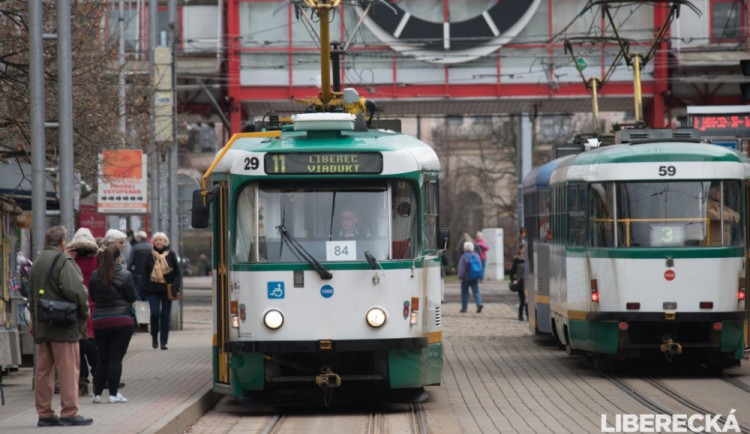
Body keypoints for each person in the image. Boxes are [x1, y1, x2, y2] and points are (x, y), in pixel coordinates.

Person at [27, 225, 93, 427]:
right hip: (63, 325)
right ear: (63, 241)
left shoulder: (38, 261)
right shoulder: (64, 261)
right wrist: (85, 312)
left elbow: (30, 293)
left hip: (43, 324)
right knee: (68, 370)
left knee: (44, 372)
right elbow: (76, 291)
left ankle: (45, 413)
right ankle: (69, 412)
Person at [89, 245, 136, 404]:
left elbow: (93, 297)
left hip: (100, 321)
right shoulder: (125, 274)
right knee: (116, 359)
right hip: (122, 320)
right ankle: (113, 394)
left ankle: (96, 395)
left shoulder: (95, 275)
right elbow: (132, 297)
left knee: (102, 358)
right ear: (118, 257)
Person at [66, 227, 99, 397]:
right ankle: (97, 377)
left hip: (74, 308)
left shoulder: (69, 260)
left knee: (78, 345)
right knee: (91, 343)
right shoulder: (97, 259)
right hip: (92, 307)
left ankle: (82, 380)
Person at [143, 232, 181, 350]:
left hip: (167, 290)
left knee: (165, 315)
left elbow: (178, 273)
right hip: (153, 290)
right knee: (154, 313)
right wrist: (143, 291)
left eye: (161, 240)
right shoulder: (149, 255)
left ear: (165, 242)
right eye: (156, 240)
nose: (159, 242)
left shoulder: (171, 255)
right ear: (153, 242)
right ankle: (154, 336)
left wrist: (175, 287)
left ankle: (163, 341)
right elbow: (144, 274)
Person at [457, 241, 484, 313]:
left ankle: (464, 308)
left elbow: (461, 269)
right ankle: (479, 303)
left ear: (465, 248)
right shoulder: (476, 255)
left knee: (464, 293)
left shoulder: (463, 257)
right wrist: (481, 277)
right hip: (475, 277)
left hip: (466, 278)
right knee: (476, 291)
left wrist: (460, 277)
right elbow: (480, 266)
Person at [127, 231, 152, 301]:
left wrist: (128, 272)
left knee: (138, 291)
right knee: (147, 292)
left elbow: (130, 262)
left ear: (139, 238)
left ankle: (140, 308)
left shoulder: (135, 247)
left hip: (138, 273)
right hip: (149, 274)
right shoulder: (150, 247)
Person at [510, 244, 528, 321]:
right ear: (520, 250)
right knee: (523, 300)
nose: (524, 250)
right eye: (523, 249)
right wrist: (514, 279)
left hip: (528, 282)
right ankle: (520, 315)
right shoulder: (517, 259)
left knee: (528, 301)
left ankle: (529, 316)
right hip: (520, 282)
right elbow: (512, 271)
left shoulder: (529, 258)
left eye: (525, 249)